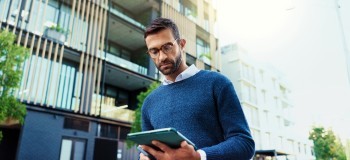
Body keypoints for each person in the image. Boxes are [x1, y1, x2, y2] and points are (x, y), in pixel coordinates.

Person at [139, 17, 255, 160]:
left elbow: (244, 143)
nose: (161, 57)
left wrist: (198, 156)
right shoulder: (149, 103)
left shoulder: (217, 83)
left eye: (167, 47)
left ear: (181, 44)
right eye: (154, 51)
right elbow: (151, 151)